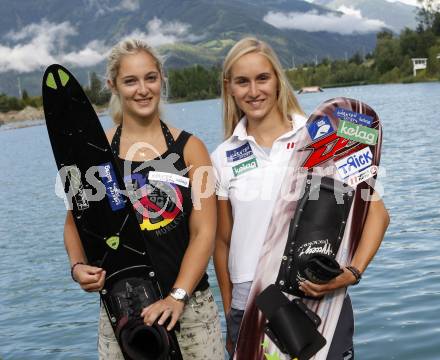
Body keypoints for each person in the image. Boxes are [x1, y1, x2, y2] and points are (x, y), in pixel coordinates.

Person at [211, 37, 390, 359]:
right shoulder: (223, 156)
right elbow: (222, 242)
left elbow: (377, 214)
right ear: (230, 88)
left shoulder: (321, 136)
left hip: (316, 292)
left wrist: (352, 273)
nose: (254, 91)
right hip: (250, 302)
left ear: (278, 80)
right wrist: (231, 314)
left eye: (262, 78)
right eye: (242, 82)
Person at [63, 38, 224, 360]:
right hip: (123, 312)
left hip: (190, 310)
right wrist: (78, 266)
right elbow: (74, 222)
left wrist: (177, 296)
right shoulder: (96, 153)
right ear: (113, 85)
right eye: (130, 81)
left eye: (150, 77)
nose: (142, 89)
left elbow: (204, 232)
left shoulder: (191, 148)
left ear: (162, 78)